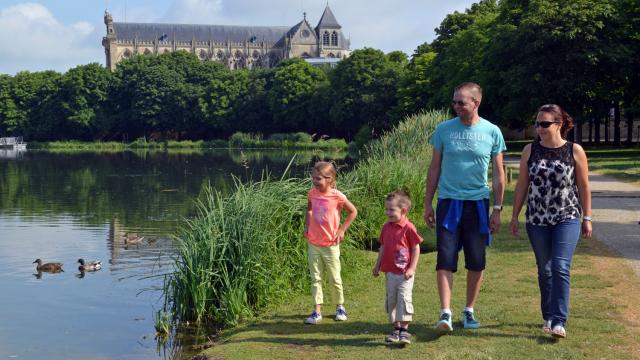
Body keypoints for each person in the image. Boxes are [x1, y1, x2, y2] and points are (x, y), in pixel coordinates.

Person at [423, 82, 506, 331]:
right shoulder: (444, 130)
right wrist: (428, 203)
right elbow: (434, 167)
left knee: (476, 260)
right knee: (445, 258)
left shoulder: (492, 132)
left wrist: (498, 209)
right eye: (454, 102)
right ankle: (445, 313)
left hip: (478, 204)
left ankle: (469, 310)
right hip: (449, 203)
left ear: (476, 103)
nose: (456, 106)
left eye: (461, 102)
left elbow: (499, 174)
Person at [509, 104, 592, 339]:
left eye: (544, 124)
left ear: (559, 124)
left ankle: (559, 320)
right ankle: (548, 315)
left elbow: (584, 186)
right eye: (537, 124)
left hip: (568, 216)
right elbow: (522, 185)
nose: (539, 128)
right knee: (545, 270)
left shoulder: (574, 150)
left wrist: (587, 217)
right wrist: (514, 215)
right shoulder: (530, 150)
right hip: (537, 219)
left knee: (560, 266)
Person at [303, 161, 358, 324]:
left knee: (334, 278)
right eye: (313, 178)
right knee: (316, 277)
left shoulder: (337, 196)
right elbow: (309, 209)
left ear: (330, 179)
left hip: (331, 244)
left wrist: (342, 230)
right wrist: (307, 226)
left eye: (318, 178)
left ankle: (340, 307)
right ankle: (317, 311)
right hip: (313, 243)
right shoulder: (311, 193)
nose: (314, 181)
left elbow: (353, 211)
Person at [373, 191, 423, 345]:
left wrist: (412, 269)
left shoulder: (408, 228)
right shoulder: (386, 227)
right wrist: (377, 265)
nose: (388, 213)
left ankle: (404, 331)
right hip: (390, 271)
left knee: (403, 299)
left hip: (404, 273)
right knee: (392, 299)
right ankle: (396, 329)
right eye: (386, 209)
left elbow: (416, 248)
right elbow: (382, 247)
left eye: (392, 210)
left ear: (403, 211)